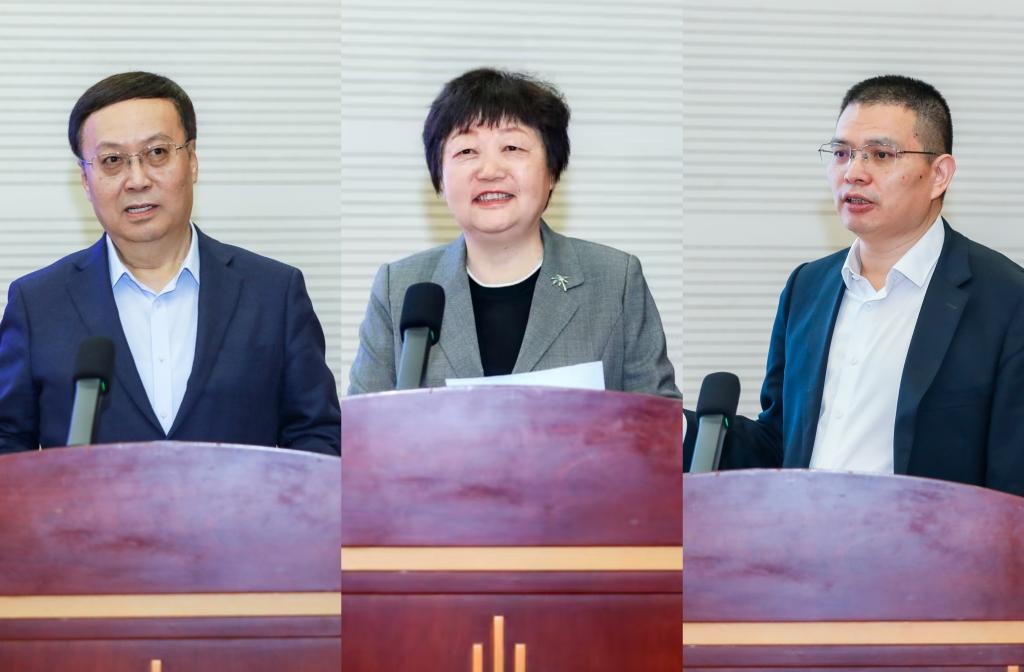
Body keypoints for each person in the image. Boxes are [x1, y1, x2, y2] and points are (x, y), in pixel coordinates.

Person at [686, 75, 1024, 497]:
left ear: (939, 174)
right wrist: (680, 431)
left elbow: (1012, 484)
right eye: (842, 153)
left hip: (928, 540)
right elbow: (779, 445)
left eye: (881, 155)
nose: (854, 173)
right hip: (800, 535)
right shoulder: (807, 287)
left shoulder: (1006, 301)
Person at [0, 72, 340, 455]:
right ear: (85, 179)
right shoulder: (37, 304)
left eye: (157, 153)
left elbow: (318, 437)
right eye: (112, 160)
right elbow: (7, 444)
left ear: (192, 160)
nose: (137, 179)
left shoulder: (274, 293)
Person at [348, 68, 678, 398]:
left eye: (512, 147)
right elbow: (362, 424)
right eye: (467, 151)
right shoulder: (399, 289)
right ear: (440, 180)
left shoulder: (615, 282)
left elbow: (659, 421)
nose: (490, 170)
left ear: (552, 172)